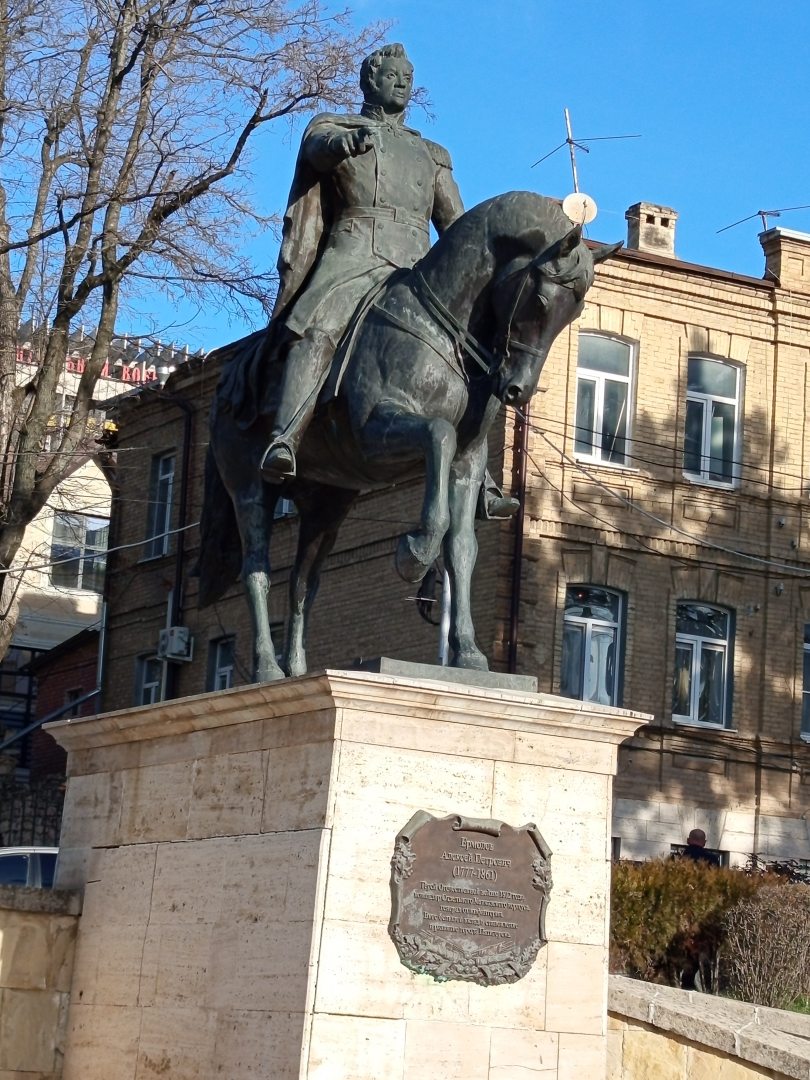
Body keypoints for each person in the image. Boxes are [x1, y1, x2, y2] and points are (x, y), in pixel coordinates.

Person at [259, 43, 517, 519]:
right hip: (356, 253)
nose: (402, 82)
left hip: (416, 266)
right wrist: (343, 145)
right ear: (369, 81)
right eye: (392, 75)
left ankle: (478, 477)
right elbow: (317, 150)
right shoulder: (336, 128)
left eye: (407, 76)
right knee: (318, 326)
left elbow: (455, 225)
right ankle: (285, 437)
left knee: (468, 349)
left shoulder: (431, 154)